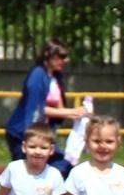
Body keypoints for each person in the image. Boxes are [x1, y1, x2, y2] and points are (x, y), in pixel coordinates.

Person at [5, 39, 90, 176]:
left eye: (65, 57)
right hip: (22, 132)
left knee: (64, 169)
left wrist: (78, 114)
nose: (64, 60)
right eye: (60, 57)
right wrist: (71, 112)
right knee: (23, 175)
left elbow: (59, 108)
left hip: (41, 133)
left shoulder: (55, 77)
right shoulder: (37, 75)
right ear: (47, 54)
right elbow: (36, 108)